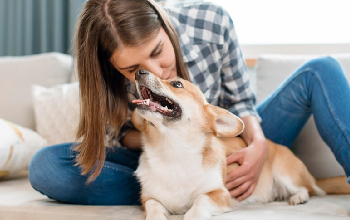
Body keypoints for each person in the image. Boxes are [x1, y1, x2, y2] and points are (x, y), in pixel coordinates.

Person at [28, 0, 350, 206]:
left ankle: (189, 189)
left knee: (322, 69)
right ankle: (170, 192)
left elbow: (241, 100)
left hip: (231, 142)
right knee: (47, 167)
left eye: (157, 51)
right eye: (132, 70)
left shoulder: (211, 21)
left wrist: (259, 144)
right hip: (157, 158)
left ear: (164, 25)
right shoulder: (101, 70)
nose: (155, 73)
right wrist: (170, 140)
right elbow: (114, 135)